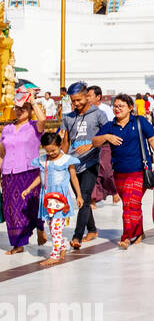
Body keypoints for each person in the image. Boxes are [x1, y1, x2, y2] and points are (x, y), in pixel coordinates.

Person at [94, 94, 154, 249]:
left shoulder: (139, 122)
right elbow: (95, 141)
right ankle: (138, 232)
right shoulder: (110, 126)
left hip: (139, 170)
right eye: (115, 106)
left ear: (130, 108)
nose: (117, 109)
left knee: (130, 205)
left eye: (121, 106)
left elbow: (152, 139)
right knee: (132, 204)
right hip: (119, 173)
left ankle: (126, 237)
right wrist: (107, 137)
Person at [27, 131, 83, 266]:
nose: (51, 153)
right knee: (52, 225)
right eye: (48, 151)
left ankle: (54, 255)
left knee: (55, 228)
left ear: (59, 145)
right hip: (47, 199)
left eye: (54, 150)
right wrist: (29, 188)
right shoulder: (43, 160)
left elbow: (74, 177)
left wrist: (79, 195)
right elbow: (40, 177)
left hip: (61, 200)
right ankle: (62, 247)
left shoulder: (66, 160)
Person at [58, 82, 102, 250]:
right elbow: (66, 143)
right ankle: (92, 229)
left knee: (83, 196)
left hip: (91, 162)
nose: (75, 103)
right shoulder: (68, 118)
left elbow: (106, 135)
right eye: (73, 101)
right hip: (73, 166)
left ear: (86, 96)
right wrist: (62, 160)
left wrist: (91, 145)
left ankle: (77, 236)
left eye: (78, 100)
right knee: (81, 197)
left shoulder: (98, 114)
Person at [1, 96, 46, 253]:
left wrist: (33, 101)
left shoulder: (34, 127)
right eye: (17, 108)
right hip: (9, 173)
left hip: (29, 172)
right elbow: (2, 153)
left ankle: (40, 228)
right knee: (11, 209)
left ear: (30, 111)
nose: (19, 111)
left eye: (23, 108)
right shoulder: (7, 129)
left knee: (31, 205)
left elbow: (43, 120)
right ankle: (18, 244)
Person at [87, 85, 117, 204]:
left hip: (105, 144)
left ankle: (114, 191)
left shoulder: (106, 109)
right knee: (93, 171)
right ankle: (93, 199)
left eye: (90, 95)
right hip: (91, 144)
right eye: (87, 96)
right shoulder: (86, 109)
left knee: (107, 171)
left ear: (98, 97)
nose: (87, 98)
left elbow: (111, 126)